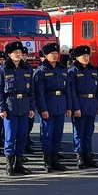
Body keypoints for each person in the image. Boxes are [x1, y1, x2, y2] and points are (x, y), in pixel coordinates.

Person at [0, 41, 35, 176]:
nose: (18, 55)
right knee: (10, 136)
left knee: (22, 136)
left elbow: (32, 91)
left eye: (20, 53)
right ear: (9, 54)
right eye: (15, 53)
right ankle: (9, 164)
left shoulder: (27, 69)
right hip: (10, 106)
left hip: (24, 105)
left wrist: (31, 107)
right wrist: (1, 108)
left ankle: (19, 163)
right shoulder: (3, 69)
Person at [34, 43, 72, 173]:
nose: (55, 56)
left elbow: (67, 90)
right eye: (52, 54)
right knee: (47, 134)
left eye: (56, 53)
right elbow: (39, 93)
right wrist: (43, 109)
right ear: (46, 55)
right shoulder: (41, 71)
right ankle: (47, 162)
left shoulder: (62, 69)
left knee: (58, 135)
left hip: (60, 104)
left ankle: (56, 160)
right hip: (48, 106)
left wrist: (68, 107)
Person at [68, 45, 98, 169]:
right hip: (80, 104)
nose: (86, 58)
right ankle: (79, 156)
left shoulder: (93, 70)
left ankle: (88, 156)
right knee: (79, 133)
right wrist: (75, 108)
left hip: (91, 104)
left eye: (88, 56)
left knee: (88, 132)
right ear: (77, 57)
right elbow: (71, 92)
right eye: (84, 56)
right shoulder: (73, 71)